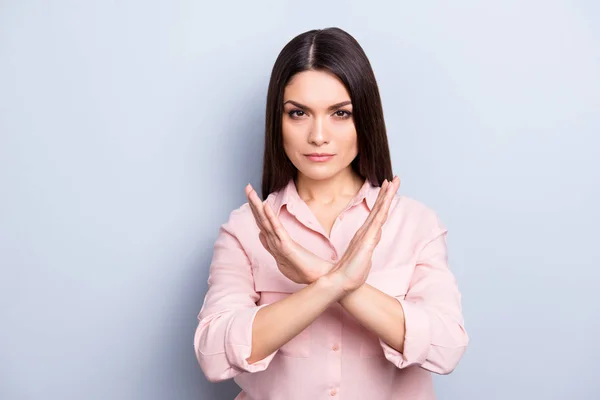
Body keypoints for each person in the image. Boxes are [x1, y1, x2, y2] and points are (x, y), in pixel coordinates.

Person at [193, 27, 468, 400]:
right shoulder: (246, 230)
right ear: (279, 121)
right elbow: (213, 353)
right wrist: (331, 284)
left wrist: (322, 277)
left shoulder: (415, 225)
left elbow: (446, 347)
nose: (318, 135)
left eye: (340, 113)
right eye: (299, 113)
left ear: (364, 120)